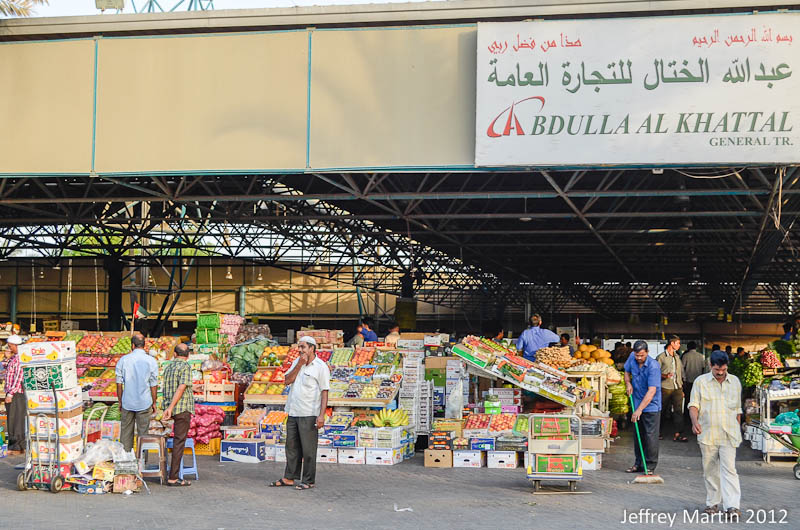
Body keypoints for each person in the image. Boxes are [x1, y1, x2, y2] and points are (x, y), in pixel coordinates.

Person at [688, 351, 743, 520]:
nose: (720, 373)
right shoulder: (700, 382)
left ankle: (732, 506)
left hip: (729, 433)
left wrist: (738, 427)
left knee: (730, 470)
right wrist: (694, 422)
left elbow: (738, 409)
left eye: (723, 369)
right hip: (708, 433)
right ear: (710, 365)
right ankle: (712, 502)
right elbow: (693, 405)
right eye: (717, 369)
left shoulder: (734, 382)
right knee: (710, 470)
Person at [271, 335, 330, 490]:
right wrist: (299, 365)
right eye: (299, 346)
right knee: (291, 447)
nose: (300, 350)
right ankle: (289, 477)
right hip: (293, 411)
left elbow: (325, 392)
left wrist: (321, 415)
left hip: (309, 413)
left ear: (312, 348)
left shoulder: (321, 366)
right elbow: (287, 380)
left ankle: (309, 480)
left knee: (308, 449)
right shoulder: (297, 362)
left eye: (303, 347)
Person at [115, 333, 159, 452]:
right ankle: (142, 462)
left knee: (125, 433)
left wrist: (120, 401)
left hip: (127, 402)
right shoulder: (151, 361)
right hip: (144, 402)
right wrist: (154, 403)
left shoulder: (123, 360)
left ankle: (125, 461)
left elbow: (119, 384)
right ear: (144, 346)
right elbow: (153, 385)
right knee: (143, 434)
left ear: (132, 345)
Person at [624, 340, 662, 474]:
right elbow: (626, 371)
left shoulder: (653, 366)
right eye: (637, 355)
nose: (639, 358)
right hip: (636, 401)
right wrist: (628, 383)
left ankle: (650, 466)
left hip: (650, 406)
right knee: (638, 435)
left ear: (647, 352)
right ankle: (638, 463)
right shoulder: (632, 358)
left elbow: (652, 391)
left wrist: (639, 410)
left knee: (650, 436)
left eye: (641, 355)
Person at [162, 343, 194, 487]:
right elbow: (181, 388)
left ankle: (163, 472)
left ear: (174, 354)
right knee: (178, 442)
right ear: (188, 355)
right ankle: (173, 477)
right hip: (180, 408)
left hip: (167, 410)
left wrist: (168, 408)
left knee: (164, 440)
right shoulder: (185, 367)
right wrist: (172, 407)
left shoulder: (168, 367)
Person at [658, 335, 687, 442]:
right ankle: (658, 432)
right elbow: (655, 373)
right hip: (665, 387)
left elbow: (680, 372)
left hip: (677, 387)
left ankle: (678, 433)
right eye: (678, 343)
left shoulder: (677, 357)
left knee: (679, 411)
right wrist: (665, 376)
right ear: (672, 343)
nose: (679, 345)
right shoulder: (661, 357)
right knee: (662, 410)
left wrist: (682, 388)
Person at [3, 335, 25, 455]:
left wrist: (10, 394)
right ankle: (16, 446)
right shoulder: (14, 357)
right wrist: (6, 358)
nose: (9, 348)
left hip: (16, 393)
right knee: (12, 419)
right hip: (12, 392)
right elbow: (8, 368)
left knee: (16, 419)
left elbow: (18, 378)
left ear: (16, 345)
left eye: (10, 346)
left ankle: (17, 447)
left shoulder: (20, 358)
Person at [682, 341, 707, 413]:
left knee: (688, 399)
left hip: (688, 381)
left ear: (688, 347)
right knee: (698, 399)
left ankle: (687, 415)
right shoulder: (701, 356)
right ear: (695, 347)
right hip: (699, 381)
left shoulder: (685, 356)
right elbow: (703, 368)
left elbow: (682, 368)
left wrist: (684, 379)